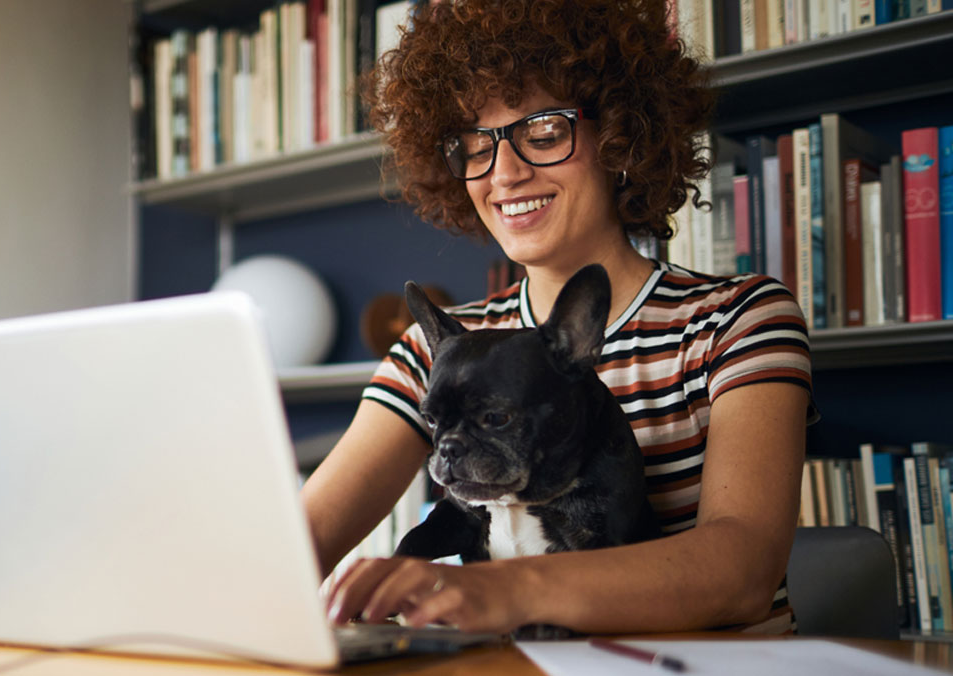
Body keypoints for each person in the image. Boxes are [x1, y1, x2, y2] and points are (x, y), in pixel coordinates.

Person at [301, 0, 814, 636]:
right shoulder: (437, 348)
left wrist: (501, 589)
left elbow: (742, 573)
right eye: (474, 146)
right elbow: (299, 540)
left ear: (622, 137)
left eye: (543, 133)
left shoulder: (736, 320)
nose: (506, 174)